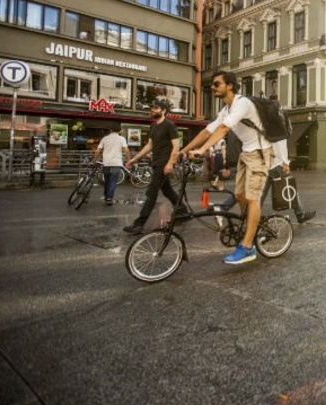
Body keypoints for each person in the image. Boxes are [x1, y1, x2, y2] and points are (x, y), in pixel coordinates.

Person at [180, 71, 273, 264]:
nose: (213, 87)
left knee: (252, 198)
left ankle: (248, 247)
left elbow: (224, 129)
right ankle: (251, 227)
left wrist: (203, 150)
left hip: (260, 153)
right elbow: (208, 130)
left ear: (229, 85)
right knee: (239, 195)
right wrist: (184, 150)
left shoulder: (242, 103)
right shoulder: (226, 109)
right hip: (246, 153)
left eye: (216, 84)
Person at [123, 100, 182, 233]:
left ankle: (139, 224)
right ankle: (182, 210)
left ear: (164, 111)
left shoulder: (169, 125)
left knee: (151, 192)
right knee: (167, 190)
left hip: (163, 163)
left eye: (156, 108)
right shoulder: (153, 126)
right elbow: (150, 145)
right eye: (151, 108)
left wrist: (170, 163)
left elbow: (176, 146)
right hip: (156, 162)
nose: (152, 110)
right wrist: (134, 158)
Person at [261, 137, 316, 224]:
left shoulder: (269, 126)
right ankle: (301, 214)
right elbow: (279, 145)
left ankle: (252, 214)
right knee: (291, 189)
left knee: (261, 193)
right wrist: (285, 163)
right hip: (278, 164)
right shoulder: (279, 126)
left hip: (268, 163)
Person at [93, 126, 130, 205]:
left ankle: (107, 195)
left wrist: (95, 160)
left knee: (107, 180)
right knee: (113, 181)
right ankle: (109, 198)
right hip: (116, 163)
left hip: (106, 163)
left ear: (110, 130)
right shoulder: (122, 139)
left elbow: (98, 150)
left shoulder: (105, 138)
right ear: (119, 131)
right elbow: (126, 150)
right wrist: (129, 160)